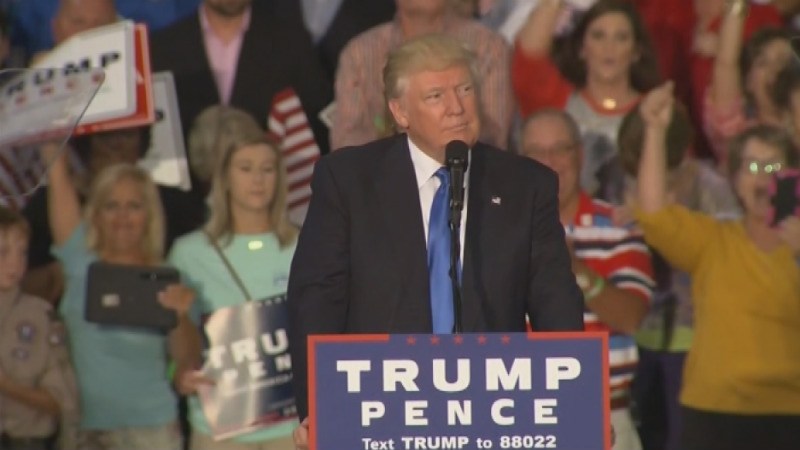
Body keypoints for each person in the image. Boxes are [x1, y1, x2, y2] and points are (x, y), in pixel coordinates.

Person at [288, 33, 584, 448]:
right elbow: (315, 302)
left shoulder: (527, 185)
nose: (457, 107)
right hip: (380, 414)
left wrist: (577, 407)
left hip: (494, 415)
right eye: (435, 96)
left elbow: (556, 305)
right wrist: (316, 410)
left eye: (464, 89)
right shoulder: (349, 182)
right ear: (400, 112)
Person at [635, 81, 800, 450]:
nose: (763, 178)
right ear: (735, 181)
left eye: (773, 166)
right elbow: (653, 213)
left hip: (791, 416)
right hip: (712, 417)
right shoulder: (714, 242)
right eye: (752, 167)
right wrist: (655, 129)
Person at [45, 146, 202, 450]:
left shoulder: (167, 279)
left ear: (149, 214)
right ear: (96, 213)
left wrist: (180, 316)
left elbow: (186, 361)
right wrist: (53, 152)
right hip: (82, 431)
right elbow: (58, 179)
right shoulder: (80, 265)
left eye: (134, 206)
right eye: (111, 206)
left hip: (150, 432)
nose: (122, 217)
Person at [521, 109, 654, 450]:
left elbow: (630, 316)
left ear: (579, 155)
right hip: (520, 414)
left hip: (607, 414)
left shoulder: (618, 226)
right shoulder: (498, 233)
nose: (548, 161)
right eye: (536, 152)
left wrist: (574, 269)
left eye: (559, 149)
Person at [170, 111, 298, 450]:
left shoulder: (308, 245)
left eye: (267, 169)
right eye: (246, 168)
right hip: (219, 427)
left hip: (292, 427)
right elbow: (174, 333)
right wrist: (181, 371)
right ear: (224, 178)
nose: (258, 179)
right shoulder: (188, 253)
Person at [616, 99, 740, 450]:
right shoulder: (616, 179)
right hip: (633, 334)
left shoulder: (708, 185)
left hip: (692, 336)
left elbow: (727, 250)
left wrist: (673, 222)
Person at [21, 126, 206, 305]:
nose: (116, 144)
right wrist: (59, 275)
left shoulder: (179, 205)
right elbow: (15, 284)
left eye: (126, 135)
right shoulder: (48, 205)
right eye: (105, 135)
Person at [512, 0, 661, 204]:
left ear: (636, 51)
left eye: (621, 37)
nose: (609, 48)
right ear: (582, 48)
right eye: (598, 36)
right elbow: (529, 56)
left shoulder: (656, 112)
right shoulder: (556, 101)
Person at [149, 0, 333, 162]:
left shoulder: (291, 43)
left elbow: (318, 124)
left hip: (273, 190)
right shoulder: (162, 49)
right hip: (186, 197)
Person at [330, 0, 512, 150]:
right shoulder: (359, 53)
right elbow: (346, 140)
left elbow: (494, 137)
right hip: (382, 183)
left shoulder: (488, 47)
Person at [0, 207, 79, 450]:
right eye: (3, 252)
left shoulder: (39, 316)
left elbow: (61, 401)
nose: (15, 263)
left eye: (22, 253)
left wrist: (7, 386)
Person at [704, 0, 792, 165]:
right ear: (749, 83)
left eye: (782, 61)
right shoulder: (737, 131)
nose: (775, 70)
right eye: (762, 63)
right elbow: (726, 63)